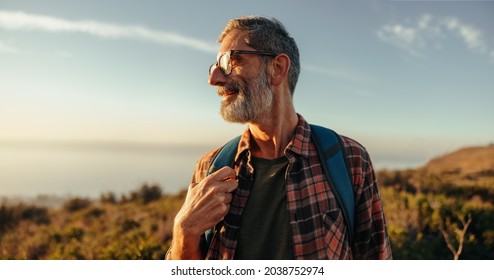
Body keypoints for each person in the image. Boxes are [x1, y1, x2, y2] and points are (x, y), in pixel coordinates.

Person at [166, 16, 392, 260]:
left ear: (277, 68)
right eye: (215, 66)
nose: (214, 79)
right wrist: (184, 233)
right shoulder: (210, 168)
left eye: (229, 60)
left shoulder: (349, 159)